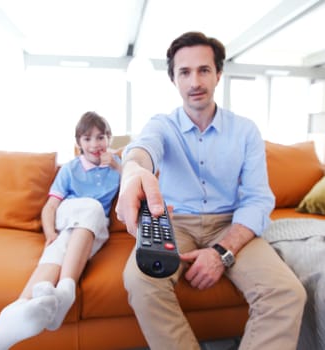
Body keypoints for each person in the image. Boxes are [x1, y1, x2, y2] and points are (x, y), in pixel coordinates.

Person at [116, 31, 307, 350]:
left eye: (204, 70)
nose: (195, 82)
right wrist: (134, 169)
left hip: (231, 223)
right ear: (173, 79)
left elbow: (258, 199)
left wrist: (222, 252)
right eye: (184, 72)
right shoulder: (163, 125)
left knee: (287, 293)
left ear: (219, 74)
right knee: (140, 280)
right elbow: (141, 149)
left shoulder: (245, 131)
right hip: (176, 225)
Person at [0, 111, 121, 350]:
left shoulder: (119, 166)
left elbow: (144, 186)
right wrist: (50, 234)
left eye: (101, 137)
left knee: (63, 249)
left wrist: (119, 168)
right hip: (68, 213)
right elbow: (51, 207)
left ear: (109, 139)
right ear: (78, 143)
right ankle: (66, 290)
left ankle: (16, 312)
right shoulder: (70, 169)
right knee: (90, 208)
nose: (95, 144)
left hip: (93, 228)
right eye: (87, 139)